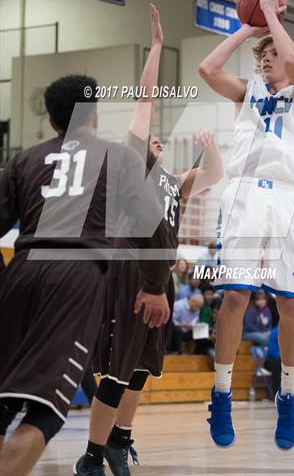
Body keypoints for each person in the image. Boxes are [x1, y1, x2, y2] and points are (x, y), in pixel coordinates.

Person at [74, 5, 223, 476]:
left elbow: (215, 174)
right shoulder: (129, 167)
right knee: (118, 371)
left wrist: (213, 147)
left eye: (158, 140)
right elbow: (145, 99)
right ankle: (90, 457)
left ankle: (120, 439)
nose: (154, 139)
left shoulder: (173, 182)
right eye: (147, 138)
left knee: (141, 368)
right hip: (131, 275)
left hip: (163, 276)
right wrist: (157, 48)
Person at [0, 74, 170, 476]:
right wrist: (155, 286)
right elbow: (154, 227)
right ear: (94, 113)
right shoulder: (119, 156)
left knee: (4, 399)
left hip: (21, 272)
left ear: (53, 120)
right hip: (76, 278)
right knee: (46, 409)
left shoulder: (24, 159)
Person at [199, 0, 294, 450]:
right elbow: (208, 68)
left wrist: (273, 19)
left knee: (289, 303)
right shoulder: (247, 93)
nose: (265, 59)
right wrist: (247, 26)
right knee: (235, 298)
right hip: (245, 196)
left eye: (270, 52)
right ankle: (222, 393)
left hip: (287, 200)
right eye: (261, 55)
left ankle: (288, 396)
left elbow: (291, 62)